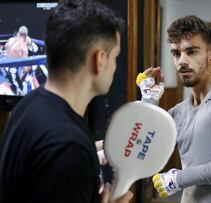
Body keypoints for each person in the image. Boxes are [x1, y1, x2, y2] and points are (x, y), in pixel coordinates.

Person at [0, 1, 132, 202]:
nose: (115, 67)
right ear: (100, 59)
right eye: (115, 57)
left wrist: (93, 147)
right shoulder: (69, 148)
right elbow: (64, 152)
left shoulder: (29, 104)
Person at [137, 15, 211, 203]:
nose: (182, 61)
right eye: (176, 54)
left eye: (191, 52)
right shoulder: (179, 112)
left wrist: (179, 178)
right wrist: (149, 100)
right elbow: (142, 146)